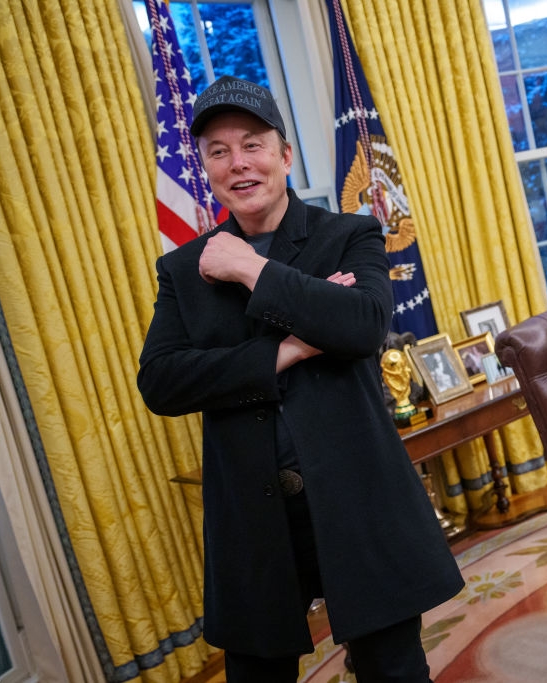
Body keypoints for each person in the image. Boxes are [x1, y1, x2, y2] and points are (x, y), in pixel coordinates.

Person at [137, 76, 464, 682]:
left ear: (284, 155)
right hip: (255, 519)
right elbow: (161, 382)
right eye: (218, 151)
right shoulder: (183, 270)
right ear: (205, 168)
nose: (238, 164)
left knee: (393, 670)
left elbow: (363, 326)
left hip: (356, 501)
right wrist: (286, 349)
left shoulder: (350, 236)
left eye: (253, 145)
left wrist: (248, 267)